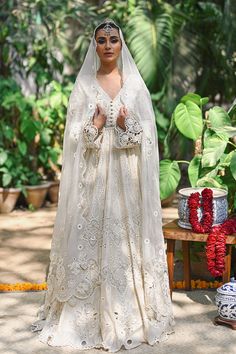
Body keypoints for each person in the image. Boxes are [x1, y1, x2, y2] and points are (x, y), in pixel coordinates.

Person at [30, 18, 175, 352]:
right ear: (94, 45)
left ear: (121, 44)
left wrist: (127, 125)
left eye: (113, 39)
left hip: (127, 181)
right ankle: (83, 316)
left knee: (125, 238)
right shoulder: (84, 86)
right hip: (94, 180)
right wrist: (93, 126)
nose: (107, 45)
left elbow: (147, 138)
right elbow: (75, 140)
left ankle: (133, 315)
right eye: (101, 39)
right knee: (88, 239)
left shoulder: (135, 87)